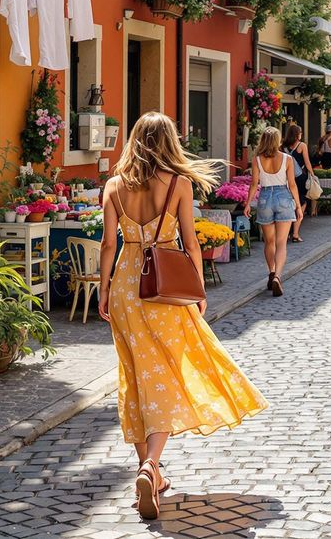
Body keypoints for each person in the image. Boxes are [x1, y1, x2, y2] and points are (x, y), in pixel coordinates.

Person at [98, 112, 268, 521]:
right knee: (165, 373)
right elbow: (191, 241)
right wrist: (199, 290)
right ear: (169, 142)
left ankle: (151, 475)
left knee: (136, 373)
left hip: (125, 284)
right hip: (163, 288)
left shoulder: (114, 187)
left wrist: (104, 290)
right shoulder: (178, 183)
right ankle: (151, 465)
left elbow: (107, 244)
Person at [243, 127, 305, 296]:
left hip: (264, 198)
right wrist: (298, 206)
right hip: (283, 197)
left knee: (269, 242)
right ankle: (278, 276)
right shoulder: (287, 159)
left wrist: (248, 204)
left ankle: (271, 272)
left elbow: (254, 184)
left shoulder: (257, 160)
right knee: (281, 243)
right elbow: (292, 184)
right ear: (277, 141)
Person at [282, 124, 313, 243]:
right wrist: (313, 175)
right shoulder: (302, 146)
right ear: (297, 134)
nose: (301, 135)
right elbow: (307, 163)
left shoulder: (282, 146)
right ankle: (295, 233)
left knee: (289, 204)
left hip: (286, 179)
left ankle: (287, 232)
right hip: (300, 178)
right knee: (302, 204)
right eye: (300, 133)